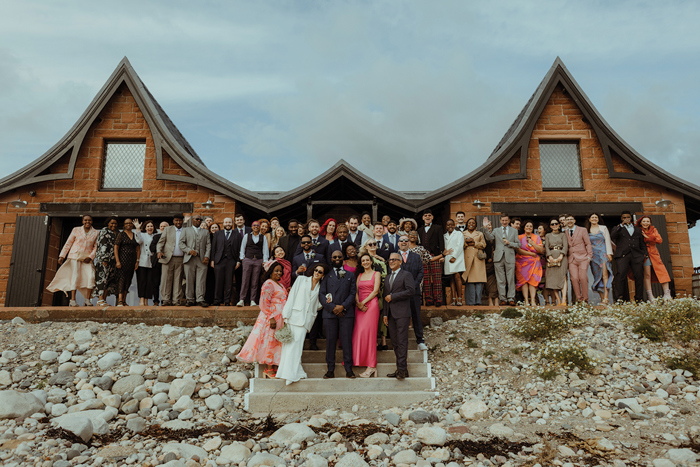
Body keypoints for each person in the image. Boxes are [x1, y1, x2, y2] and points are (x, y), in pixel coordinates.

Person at [277, 263, 328, 385]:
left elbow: (318, 306)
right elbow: (292, 296)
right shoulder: (301, 279)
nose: (317, 273)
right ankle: (290, 374)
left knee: (296, 346)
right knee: (291, 346)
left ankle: (296, 371)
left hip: (306, 320)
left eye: (320, 272)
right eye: (316, 270)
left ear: (323, 275)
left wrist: (327, 299)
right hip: (294, 316)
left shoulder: (320, 287)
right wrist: (286, 315)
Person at [237, 261, 287, 378]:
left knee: (277, 342)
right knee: (270, 342)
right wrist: (271, 318)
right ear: (270, 272)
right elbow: (264, 303)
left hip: (280, 318)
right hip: (272, 317)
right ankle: (268, 369)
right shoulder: (268, 284)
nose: (279, 273)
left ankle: (274, 367)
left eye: (280, 271)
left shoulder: (280, 285)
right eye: (276, 271)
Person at [319, 250, 357, 379]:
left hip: (346, 313)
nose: (336, 258)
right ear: (331, 258)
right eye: (334, 257)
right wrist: (333, 307)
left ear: (343, 258)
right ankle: (330, 370)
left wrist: (343, 307)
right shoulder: (326, 275)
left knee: (346, 342)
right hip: (330, 314)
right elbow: (322, 294)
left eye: (339, 257)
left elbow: (353, 294)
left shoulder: (350, 275)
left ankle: (349, 369)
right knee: (330, 342)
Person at [48, 214, 99, 306]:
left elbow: (96, 247)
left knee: (90, 277)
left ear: (92, 221)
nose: (87, 222)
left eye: (89, 220)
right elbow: (68, 243)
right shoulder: (76, 230)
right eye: (85, 220)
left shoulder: (96, 232)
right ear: (82, 221)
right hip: (74, 256)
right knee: (75, 277)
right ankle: (72, 300)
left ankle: (87, 300)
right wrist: (62, 256)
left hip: (87, 258)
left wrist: (91, 257)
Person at [383, 253, 415, 380]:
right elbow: (385, 297)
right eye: (390, 260)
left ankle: (401, 370)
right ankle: (402, 368)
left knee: (402, 342)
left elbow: (411, 291)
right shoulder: (387, 277)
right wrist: (385, 314)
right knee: (395, 343)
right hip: (390, 314)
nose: (391, 262)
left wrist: (394, 296)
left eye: (394, 260)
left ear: (400, 262)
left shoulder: (406, 275)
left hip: (402, 313)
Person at [350, 253, 381, 377]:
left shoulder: (376, 274)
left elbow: (376, 291)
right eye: (363, 260)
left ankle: (371, 366)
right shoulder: (360, 275)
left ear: (371, 261)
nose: (366, 262)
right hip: (360, 306)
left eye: (367, 260)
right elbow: (356, 291)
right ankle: (357, 359)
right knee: (358, 332)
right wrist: (358, 302)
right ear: (361, 263)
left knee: (370, 334)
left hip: (371, 305)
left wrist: (363, 302)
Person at [397, 234, 426, 351]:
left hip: (414, 291)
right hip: (399, 293)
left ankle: (420, 341)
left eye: (406, 240)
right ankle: (400, 342)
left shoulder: (416, 256)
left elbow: (420, 272)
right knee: (400, 318)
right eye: (401, 240)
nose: (404, 242)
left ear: (409, 243)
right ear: (398, 243)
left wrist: (413, 286)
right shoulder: (394, 256)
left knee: (416, 316)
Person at [611, 211, 647, 302]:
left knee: (639, 276)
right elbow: (613, 235)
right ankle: (619, 298)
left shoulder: (638, 229)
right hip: (622, 255)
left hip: (636, 255)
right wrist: (622, 225)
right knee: (620, 275)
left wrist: (644, 254)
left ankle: (639, 298)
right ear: (621, 219)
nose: (626, 219)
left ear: (631, 218)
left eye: (628, 217)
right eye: (624, 217)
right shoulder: (618, 228)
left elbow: (642, 243)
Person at [636, 216, 673, 301]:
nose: (645, 223)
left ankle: (667, 294)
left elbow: (659, 240)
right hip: (644, 254)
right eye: (644, 221)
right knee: (647, 274)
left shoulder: (653, 230)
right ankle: (650, 296)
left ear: (650, 223)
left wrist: (648, 237)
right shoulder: (638, 230)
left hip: (654, 254)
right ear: (641, 222)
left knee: (662, 272)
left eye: (647, 221)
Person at [179, 214, 211, 307]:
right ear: (192, 220)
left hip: (202, 259)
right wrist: (189, 250)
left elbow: (208, 245)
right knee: (189, 279)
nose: (199, 220)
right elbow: (181, 243)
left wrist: (207, 256)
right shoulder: (185, 230)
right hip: (189, 259)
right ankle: (190, 299)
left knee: (201, 280)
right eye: (197, 219)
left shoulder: (205, 232)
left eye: (200, 219)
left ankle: (200, 299)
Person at [237, 220, 269, 307]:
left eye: (258, 225)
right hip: (248, 259)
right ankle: (242, 299)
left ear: (260, 227)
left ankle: (252, 300)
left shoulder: (263, 237)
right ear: (251, 227)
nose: (256, 227)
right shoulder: (247, 236)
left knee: (255, 282)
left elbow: (265, 250)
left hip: (258, 260)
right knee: (245, 280)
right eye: (254, 225)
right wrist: (242, 258)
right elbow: (242, 247)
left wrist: (264, 261)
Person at [156, 214, 186, 306]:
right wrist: (158, 251)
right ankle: (166, 300)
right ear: (173, 221)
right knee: (166, 280)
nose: (178, 222)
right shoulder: (168, 229)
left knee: (178, 280)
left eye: (180, 220)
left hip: (181, 258)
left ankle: (176, 300)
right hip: (167, 258)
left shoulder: (186, 231)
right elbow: (161, 242)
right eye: (176, 220)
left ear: (183, 221)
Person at [211, 217, 241, 306]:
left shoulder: (237, 234)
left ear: (232, 224)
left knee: (229, 282)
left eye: (229, 222)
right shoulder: (217, 234)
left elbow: (240, 248)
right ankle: (217, 300)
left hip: (231, 260)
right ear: (223, 224)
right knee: (218, 281)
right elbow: (213, 248)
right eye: (226, 222)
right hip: (219, 260)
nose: (228, 224)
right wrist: (212, 260)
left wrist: (238, 261)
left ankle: (227, 301)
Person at [418, 209, 445, 307]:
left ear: (432, 217)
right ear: (423, 218)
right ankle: (428, 299)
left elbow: (441, 242)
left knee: (437, 279)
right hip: (424, 257)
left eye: (429, 215)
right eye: (425, 216)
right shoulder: (420, 230)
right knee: (426, 279)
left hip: (435, 255)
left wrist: (442, 255)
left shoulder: (438, 228)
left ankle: (438, 299)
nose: (427, 217)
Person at [515, 220, 544, 307]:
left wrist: (533, 244)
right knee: (524, 281)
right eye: (527, 226)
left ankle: (533, 301)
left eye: (531, 226)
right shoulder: (519, 237)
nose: (529, 227)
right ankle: (526, 301)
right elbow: (518, 249)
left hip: (534, 262)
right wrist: (530, 253)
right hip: (522, 262)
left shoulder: (537, 237)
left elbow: (541, 250)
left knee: (532, 281)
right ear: (524, 228)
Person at [564, 214, 592, 303]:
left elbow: (588, 243)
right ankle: (579, 299)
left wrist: (589, 256)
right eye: (567, 219)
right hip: (571, 259)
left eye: (571, 219)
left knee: (583, 277)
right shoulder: (565, 232)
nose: (569, 221)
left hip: (583, 257)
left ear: (574, 221)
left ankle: (585, 299)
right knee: (574, 278)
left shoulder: (582, 230)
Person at [493, 214, 519, 306]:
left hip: (510, 257)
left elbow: (518, 245)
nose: (504, 222)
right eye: (503, 220)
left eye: (506, 220)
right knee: (500, 280)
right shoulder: (496, 230)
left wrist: (510, 243)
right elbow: (490, 238)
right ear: (500, 221)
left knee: (511, 278)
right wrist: (485, 229)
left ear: (508, 221)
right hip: (498, 257)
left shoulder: (514, 231)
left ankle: (511, 298)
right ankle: (503, 298)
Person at [587, 213, 613, 304]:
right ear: (589, 219)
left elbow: (607, 241)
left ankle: (606, 297)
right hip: (593, 256)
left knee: (605, 275)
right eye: (592, 217)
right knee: (597, 277)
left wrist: (609, 253)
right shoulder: (586, 230)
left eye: (596, 217)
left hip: (603, 253)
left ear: (598, 219)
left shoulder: (603, 228)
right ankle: (602, 298)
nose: (594, 219)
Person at [93, 217, 119, 306]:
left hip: (114, 260)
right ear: (108, 223)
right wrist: (104, 258)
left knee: (109, 280)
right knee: (102, 279)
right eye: (112, 223)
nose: (113, 225)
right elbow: (102, 244)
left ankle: (103, 300)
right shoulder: (105, 230)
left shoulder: (118, 232)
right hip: (105, 259)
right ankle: (100, 300)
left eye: (115, 223)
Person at [114, 218, 140, 307]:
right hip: (122, 260)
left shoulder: (134, 234)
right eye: (126, 223)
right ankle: (120, 301)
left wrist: (137, 261)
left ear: (132, 225)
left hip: (132, 261)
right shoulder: (121, 234)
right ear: (124, 225)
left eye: (130, 223)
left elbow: (138, 248)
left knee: (128, 280)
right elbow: (116, 247)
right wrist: (117, 261)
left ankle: (124, 301)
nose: (128, 224)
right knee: (121, 279)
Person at [133, 219, 158, 306]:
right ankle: (141, 299)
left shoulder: (156, 236)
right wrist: (137, 229)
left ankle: (146, 300)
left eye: (151, 226)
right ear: (145, 228)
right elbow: (138, 241)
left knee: (150, 282)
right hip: (142, 261)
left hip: (153, 262)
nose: (150, 228)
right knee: (142, 281)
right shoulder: (142, 235)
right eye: (148, 226)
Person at [462, 218, 487, 306]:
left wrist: (474, 243)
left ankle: (478, 301)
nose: (471, 224)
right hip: (467, 258)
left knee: (479, 281)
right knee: (469, 281)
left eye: (473, 223)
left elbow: (483, 244)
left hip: (477, 259)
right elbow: (460, 245)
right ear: (467, 224)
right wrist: (466, 242)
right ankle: (470, 302)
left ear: (476, 224)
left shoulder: (480, 233)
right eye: (469, 223)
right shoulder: (463, 233)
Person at [545, 218, 568, 305]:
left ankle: (564, 299)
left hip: (561, 256)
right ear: (550, 226)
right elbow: (546, 247)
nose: (554, 225)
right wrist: (549, 256)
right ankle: (558, 300)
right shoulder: (548, 235)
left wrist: (561, 255)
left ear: (559, 225)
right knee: (553, 278)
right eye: (552, 224)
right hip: (551, 256)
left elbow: (565, 246)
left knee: (563, 277)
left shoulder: (563, 235)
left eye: (556, 223)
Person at [443, 219, 465, 306]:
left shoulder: (459, 234)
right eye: (448, 225)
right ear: (446, 226)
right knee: (451, 278)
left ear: (454, 225)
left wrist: (454, 257)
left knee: (457, 277)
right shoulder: (444, 235)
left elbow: (460, 245)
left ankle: (460, 299)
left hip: (457, 258)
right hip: (448, 258)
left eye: (452, 224)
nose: (450, 226)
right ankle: (453, 299)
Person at [233, 213, 252, 300]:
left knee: (249, 279)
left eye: (241, 219)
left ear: (244, 221)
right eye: (237, 220)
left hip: (249, 258)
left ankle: (248, 299)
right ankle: (239, 299)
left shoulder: (250, 230)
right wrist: (237, 259)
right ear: (235, 222)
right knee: (238, 280)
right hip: (237, 260)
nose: (239, 221)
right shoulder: (233, 232)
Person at [204, 222, 219, 305]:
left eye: (216, 227)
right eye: (212, 227)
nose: (214, 229)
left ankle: (216, 299)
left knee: (217, 281)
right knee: (209, 281)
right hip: (209, 261)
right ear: (209, 229)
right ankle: (208, 299)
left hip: (219, 261)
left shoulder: (221, 237)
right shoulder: (208, 237)